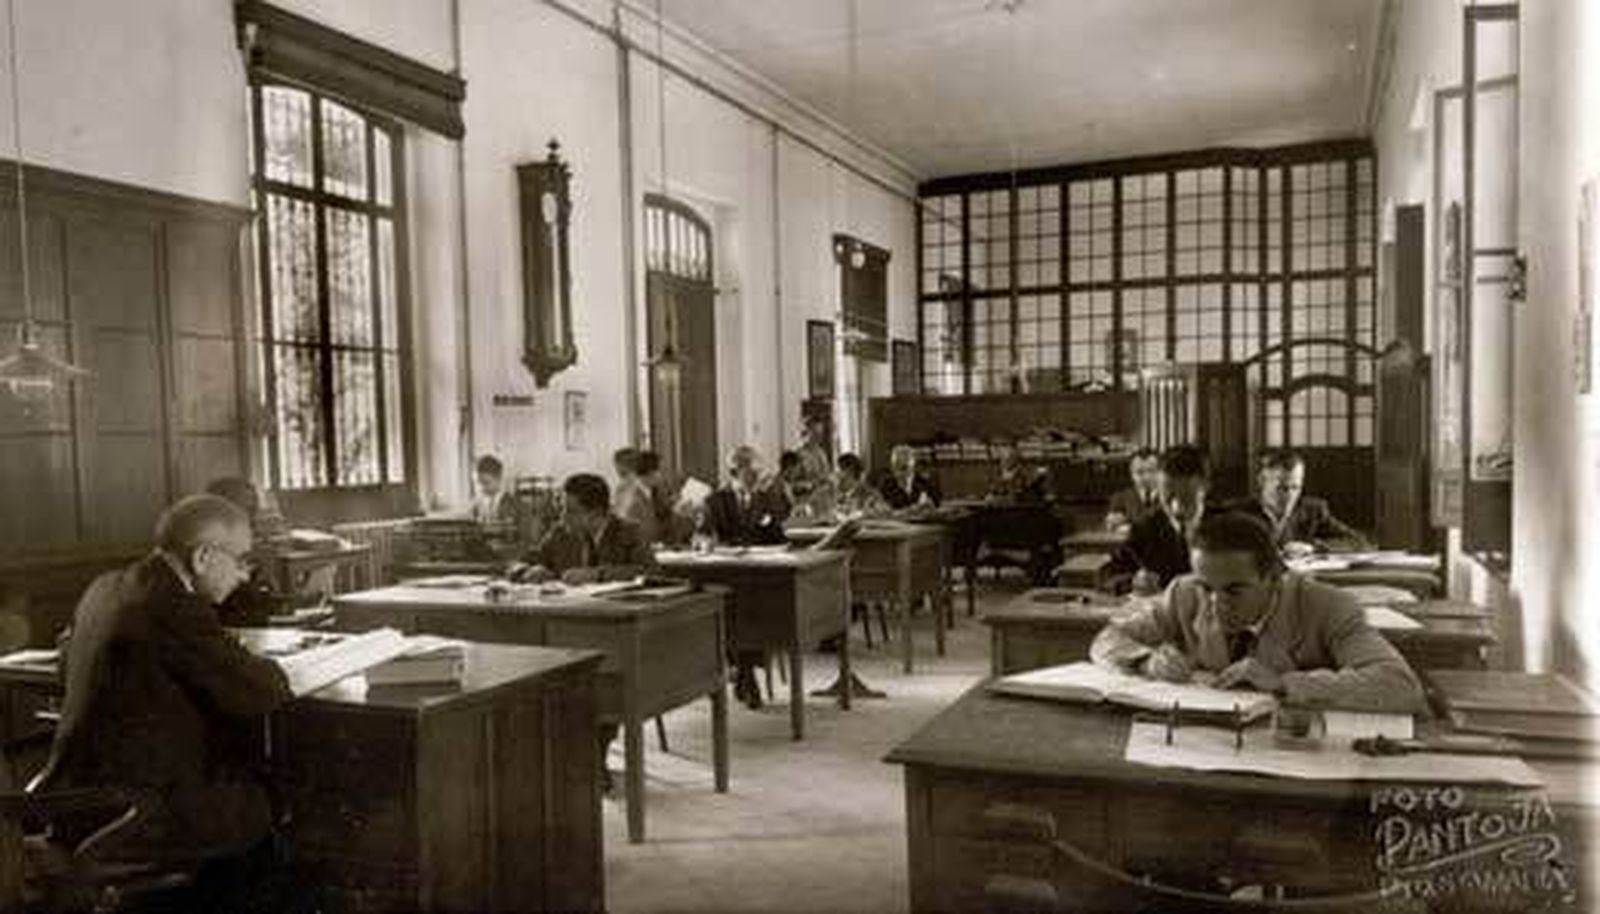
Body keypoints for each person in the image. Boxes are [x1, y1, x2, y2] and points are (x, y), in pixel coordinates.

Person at [39, 494, 310, 909]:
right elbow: (263, 691)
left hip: (69, 800)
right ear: (203, 556)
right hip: (129, 812)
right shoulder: (174, 608)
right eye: (241, 561)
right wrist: (244, 658)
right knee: (272, 801)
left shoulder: (107, 586)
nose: (243, 575)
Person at [1090, 512, 1425, 711]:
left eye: (1234, 590)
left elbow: (1400, 686)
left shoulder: (1328, 606)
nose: (1216, 603)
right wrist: (1145, 660)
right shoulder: (1184, 592)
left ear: (1275, 577)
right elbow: (1108, 638)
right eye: (1208, 588)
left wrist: (1283, 684)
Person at [1099, 444, 1213, 595]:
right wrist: (1133, 582)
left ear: (1205, 487)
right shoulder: (1146, 528)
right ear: (1159, 488)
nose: (1176, 508)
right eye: (1168, 497)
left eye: (1186, 498)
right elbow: (1109, 576)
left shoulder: (1230, 527)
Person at [512, 474, 655, 584]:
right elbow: (523, 561)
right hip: (568, 614)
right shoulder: (560, 533)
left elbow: (649, 572)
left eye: (571, 511)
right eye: (562, 510)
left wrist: (596, 575)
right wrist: (526, 571)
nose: (563, 518)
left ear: (597, 512)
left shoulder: (630, 532)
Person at [1231, 450, 1371, 557]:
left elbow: (1359, 542)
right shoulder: (1238, 513)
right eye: (1282, 488)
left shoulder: (1313, 510)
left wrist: (1313, 547)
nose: (1290, 496)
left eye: (1295, 487)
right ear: (1262, 481)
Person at [204, 477, 281, 626]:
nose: (254, 518)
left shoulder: (247, 538)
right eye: (249, 509)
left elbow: (265, 595)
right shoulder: (211, 545)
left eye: (255, 510)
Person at [705, 446, 792, 548]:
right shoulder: (715, 501)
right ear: (734, 472)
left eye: (758, 472)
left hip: (761, 561)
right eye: (752, 472)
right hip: (727, 561)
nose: (757, 477)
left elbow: (778, 537)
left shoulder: (766, 499)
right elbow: (706, 537)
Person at [1104, 448, 1162, 532]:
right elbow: (1113, 525)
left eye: (1152, 471)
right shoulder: (1120, 498)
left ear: (1161, 472)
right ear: (1131, 474)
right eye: (1139, 472)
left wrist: (1132, 527)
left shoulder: (1170, 496)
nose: (1146, 477)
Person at [612, 446, 661, 544]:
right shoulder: (629, 491)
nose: (660, 475)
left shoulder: (647, 491)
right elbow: (622, 521)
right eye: (658, 471)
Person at [876, 445, 940, 510]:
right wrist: (915, 509)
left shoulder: (925, 484)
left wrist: (930, 505)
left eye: (907, 468)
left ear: (913, 467)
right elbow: (885, 513)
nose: (905, 474)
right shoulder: (885, 487)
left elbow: (937, 507)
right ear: (893, 469)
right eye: (901, 469)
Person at [834, 453, 889, 517]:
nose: (836, 476)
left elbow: (884, 517)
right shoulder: (839, 497)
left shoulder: (870, 496)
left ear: (850, 472)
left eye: (839, 471)